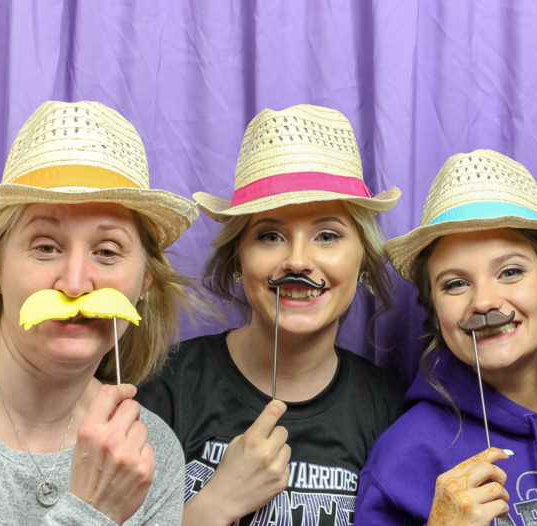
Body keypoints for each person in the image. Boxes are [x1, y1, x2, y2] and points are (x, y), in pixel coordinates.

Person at [0, 100, 202, 524]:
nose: (75, 284)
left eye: (107, 252)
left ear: (144, 281)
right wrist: (93, 512)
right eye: (45, 247)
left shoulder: (151, 454)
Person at [135, 103, 407, 525]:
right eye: (270, 235)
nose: (298, 261)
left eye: (327, 235)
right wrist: (214, 506)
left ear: (363, 261)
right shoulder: (164, 387)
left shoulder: (391, 411)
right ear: (239, 259)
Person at [355, 149, 537, 525]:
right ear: (434, 309)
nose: (485, 302)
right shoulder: (407, 453)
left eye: (510, 272)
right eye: (456, 284)